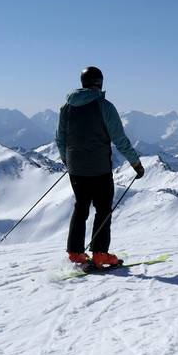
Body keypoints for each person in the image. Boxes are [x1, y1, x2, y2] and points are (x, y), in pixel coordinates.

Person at [55, 66, 145, 268]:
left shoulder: (66, 107)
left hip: (75, 168)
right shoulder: (104, 106)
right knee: (103, 209)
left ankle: (75, 253)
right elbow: (120, 139)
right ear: (99, 83)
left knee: (81, 207)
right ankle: (100, 254)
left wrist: (67, 160)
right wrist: (136, 163)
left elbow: (60, 138)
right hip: (99, 169)